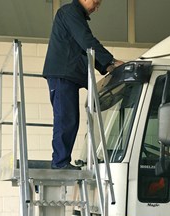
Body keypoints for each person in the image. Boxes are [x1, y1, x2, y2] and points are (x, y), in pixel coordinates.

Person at [43, 0, 123, 170]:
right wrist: (110, 62)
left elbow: (85, 47)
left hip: (67, 74)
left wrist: (106, 65)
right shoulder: (70, 12)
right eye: (96, 2)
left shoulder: (73, 14)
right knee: (66, 118)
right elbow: (86, 40)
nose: (97, 7)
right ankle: (60, 162)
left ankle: (61, 161)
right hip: (63, 74)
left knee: (70, 119)